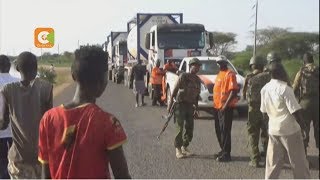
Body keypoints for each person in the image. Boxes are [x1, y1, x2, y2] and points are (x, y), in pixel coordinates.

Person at [38, 45, 131, 179]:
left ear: (73, 75)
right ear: (103, 80)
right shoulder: (108, 123)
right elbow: (122, 176)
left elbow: (45, 176)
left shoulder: (48, 119)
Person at [0, 52, 53, 179]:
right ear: (36, 68)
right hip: (40, 157)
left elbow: (3, 122)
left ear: (17, 69)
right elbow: (50, 123)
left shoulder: (7, 90)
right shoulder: (46, 88)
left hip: (18, 160)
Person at [260, 62, 310, 179]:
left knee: (272, 163)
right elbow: (295, 111)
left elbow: (264, 112)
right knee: (298, 162)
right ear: (281, 72)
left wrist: (267, 128)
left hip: (273, 130)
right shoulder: (285, 89)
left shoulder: (265, 89)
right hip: (290, 131)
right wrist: (304, 127)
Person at [167, 58, 201, 159]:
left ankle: (184, 147)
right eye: (196, 66)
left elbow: (196, 96)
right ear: (191, 66)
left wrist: (196, 109)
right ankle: (178, 149)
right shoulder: (183, 76)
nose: (197, 68)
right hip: (180, 105)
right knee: (179, 128)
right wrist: (169, 106)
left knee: (190, 128)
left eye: (199, 66)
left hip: (190, 106)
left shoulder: (197, 80)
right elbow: (174, 90)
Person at [242, 56, 268, 167]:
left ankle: (255, 160)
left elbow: (244, 95)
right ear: (263, 65)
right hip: (266, 109)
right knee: (266, 133)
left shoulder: (248, 77)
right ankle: (268, 158)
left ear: (251, 65)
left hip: (253, 109)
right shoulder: (268, 76)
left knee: (253, 134)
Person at [212, 55, 239, 162]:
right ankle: (223, 150)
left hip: (226, 108)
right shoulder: (220, 74)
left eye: (221, 62)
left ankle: (227, 154)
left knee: (225, 130)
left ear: (225, 63)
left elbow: (233, 91)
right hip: (217, 107)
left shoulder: (230, 74)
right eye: (218, 63)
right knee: (219, 130)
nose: (219, 64)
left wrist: (225, 105)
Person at [292, 52, 319, 152]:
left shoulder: (301, 72)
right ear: (312, 60)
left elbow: (294, 88)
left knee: (304, 128)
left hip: (305, 103)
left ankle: (304, 157)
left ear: (304, 61)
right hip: (317, 103)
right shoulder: (318, 70)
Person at [0, 55, 20, 179]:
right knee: (16, 161)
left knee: (1, 161)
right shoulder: (18, 83)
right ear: (9, 67)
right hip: (16, 130)